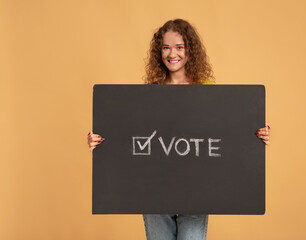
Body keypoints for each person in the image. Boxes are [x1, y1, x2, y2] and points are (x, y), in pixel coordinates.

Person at [87, 19, 270, 240]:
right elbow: (132, 138)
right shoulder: (149, 94)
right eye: (166, 47)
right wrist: (100, 141)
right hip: (154, 190)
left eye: (179, 47)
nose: (172, 54)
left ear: (190, 50)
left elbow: (224, 132)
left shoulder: (207, 91)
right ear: (159, 52)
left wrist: (254, 135)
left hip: (197, 189)